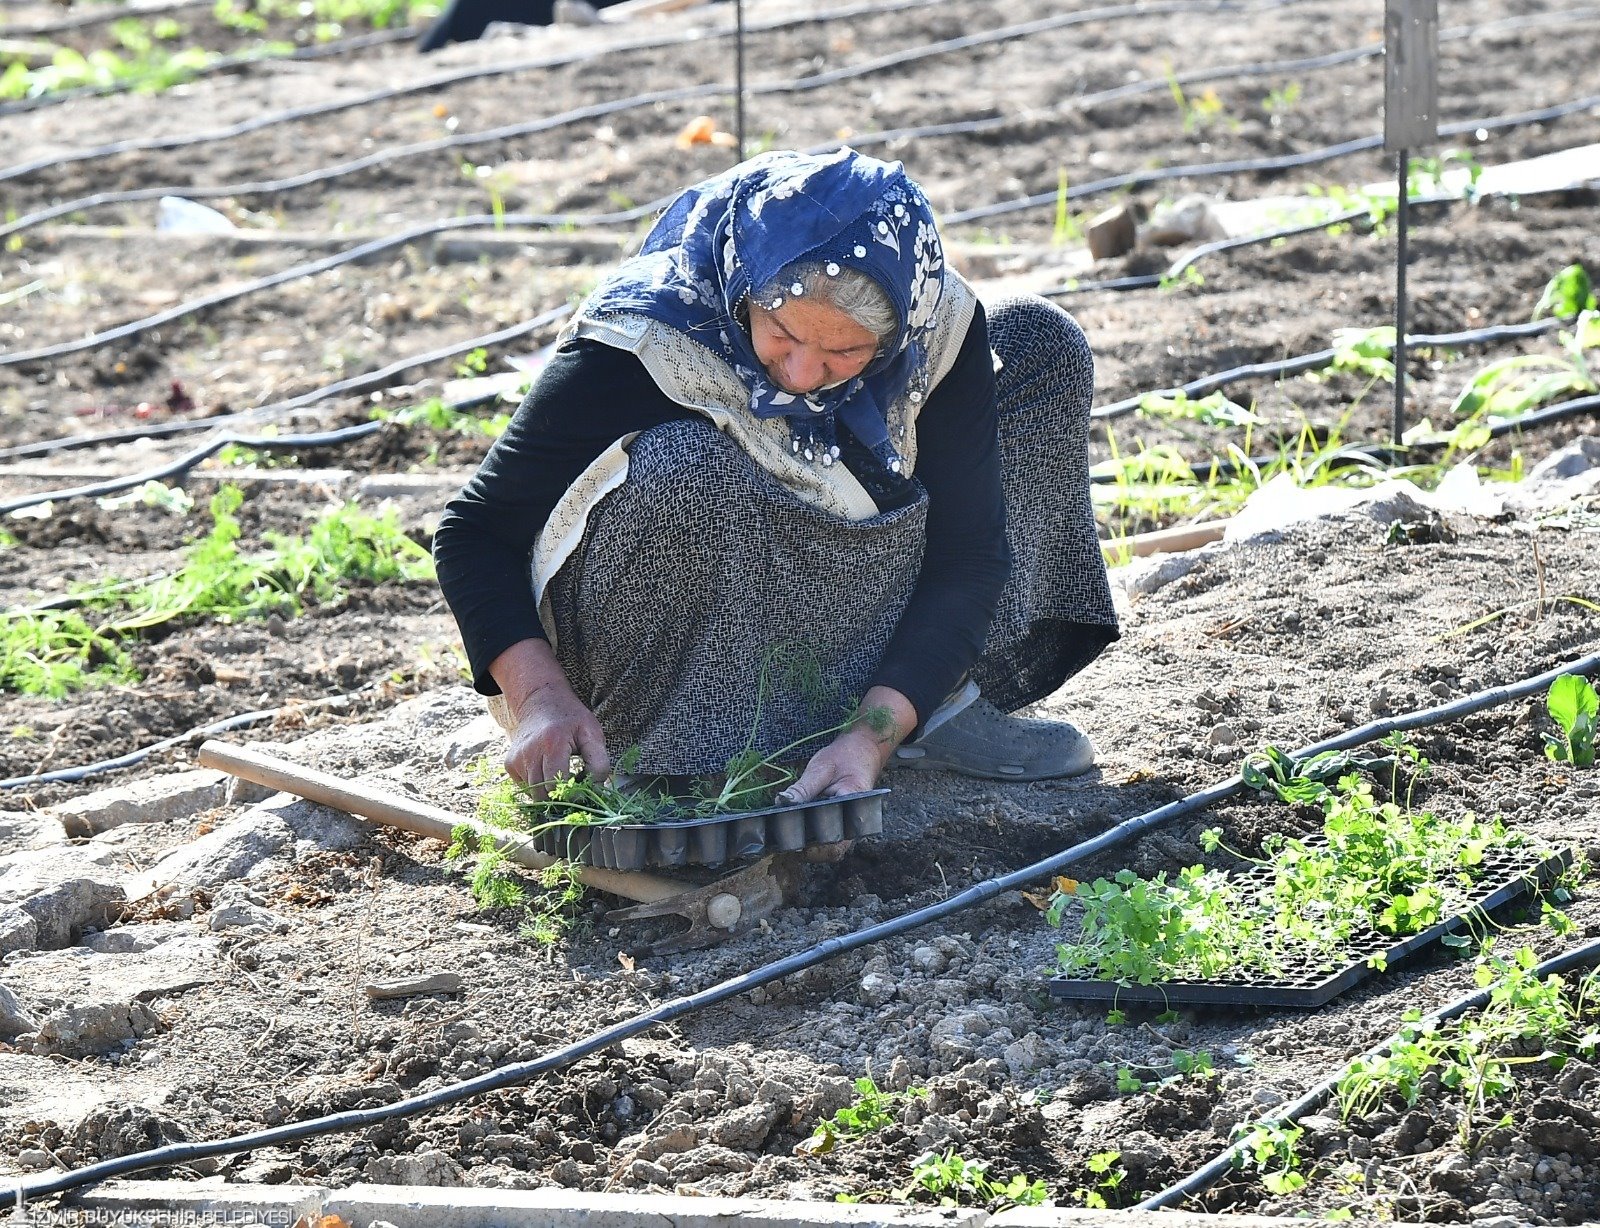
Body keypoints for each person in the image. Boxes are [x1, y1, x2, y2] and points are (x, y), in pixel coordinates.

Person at [433, 149, 1118, 803]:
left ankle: (922, 704)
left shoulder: (934, 330)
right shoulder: (643, 342)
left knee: (1036, 341)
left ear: (897, 332)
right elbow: (475, 533)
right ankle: (667, 760)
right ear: (746, 288)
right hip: (699, 645)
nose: (800, 373)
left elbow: (969, 554)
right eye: (782, 334)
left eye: (845, 351)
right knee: (684, 466)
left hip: (858, 604)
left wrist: (873, 736)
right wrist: (539, 699)